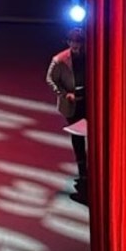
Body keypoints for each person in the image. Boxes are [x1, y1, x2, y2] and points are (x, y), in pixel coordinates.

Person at [46, 26, 90, 204]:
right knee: (78, 139)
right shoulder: (59, 60)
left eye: (79, 43)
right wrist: (64, 94)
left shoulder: (89, 56)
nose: (77, 46)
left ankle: (89, 173)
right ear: (69, 42)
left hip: (87, 101)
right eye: (74, 43)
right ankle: (83, 175)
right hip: (72, 104)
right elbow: (50, 79)